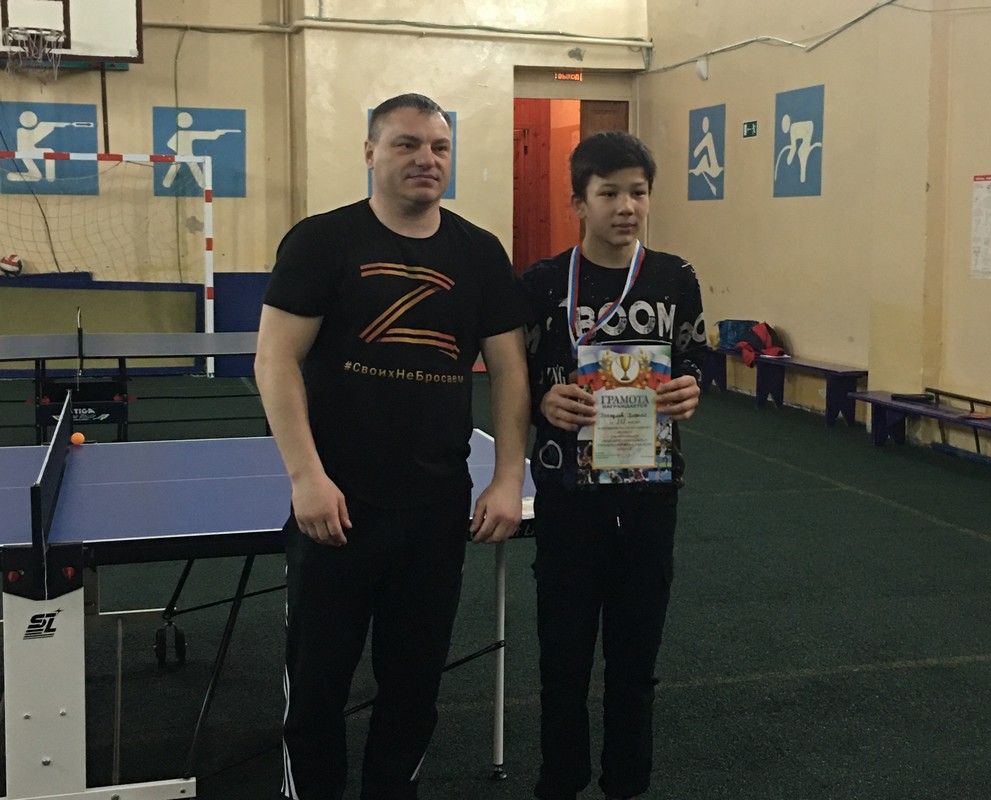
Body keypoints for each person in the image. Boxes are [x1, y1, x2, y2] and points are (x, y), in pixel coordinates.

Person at [255, 92, 529, 800]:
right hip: (336, 508)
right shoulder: (322, 241)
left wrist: (507, 478)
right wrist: (306, 477)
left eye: (439, 147)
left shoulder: (480, 252)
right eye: (407, 144)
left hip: (435, 511)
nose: (425, 159)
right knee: (316, 690)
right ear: (370, 152)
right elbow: (276, 358)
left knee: (413, 689)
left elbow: (510, 370)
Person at [520, 131, 707, 800]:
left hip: (650, 497)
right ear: (579, 202)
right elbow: (516, 379)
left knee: (635, 664)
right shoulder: (543, 284)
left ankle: (627, 784)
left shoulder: (675, 277)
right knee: (563, 662)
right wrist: (543, 400)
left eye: (638, 193)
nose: (626, 207)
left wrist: (691, 387)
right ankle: (560, 782)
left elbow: (693, 359)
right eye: (609, 194)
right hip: (568, 498)